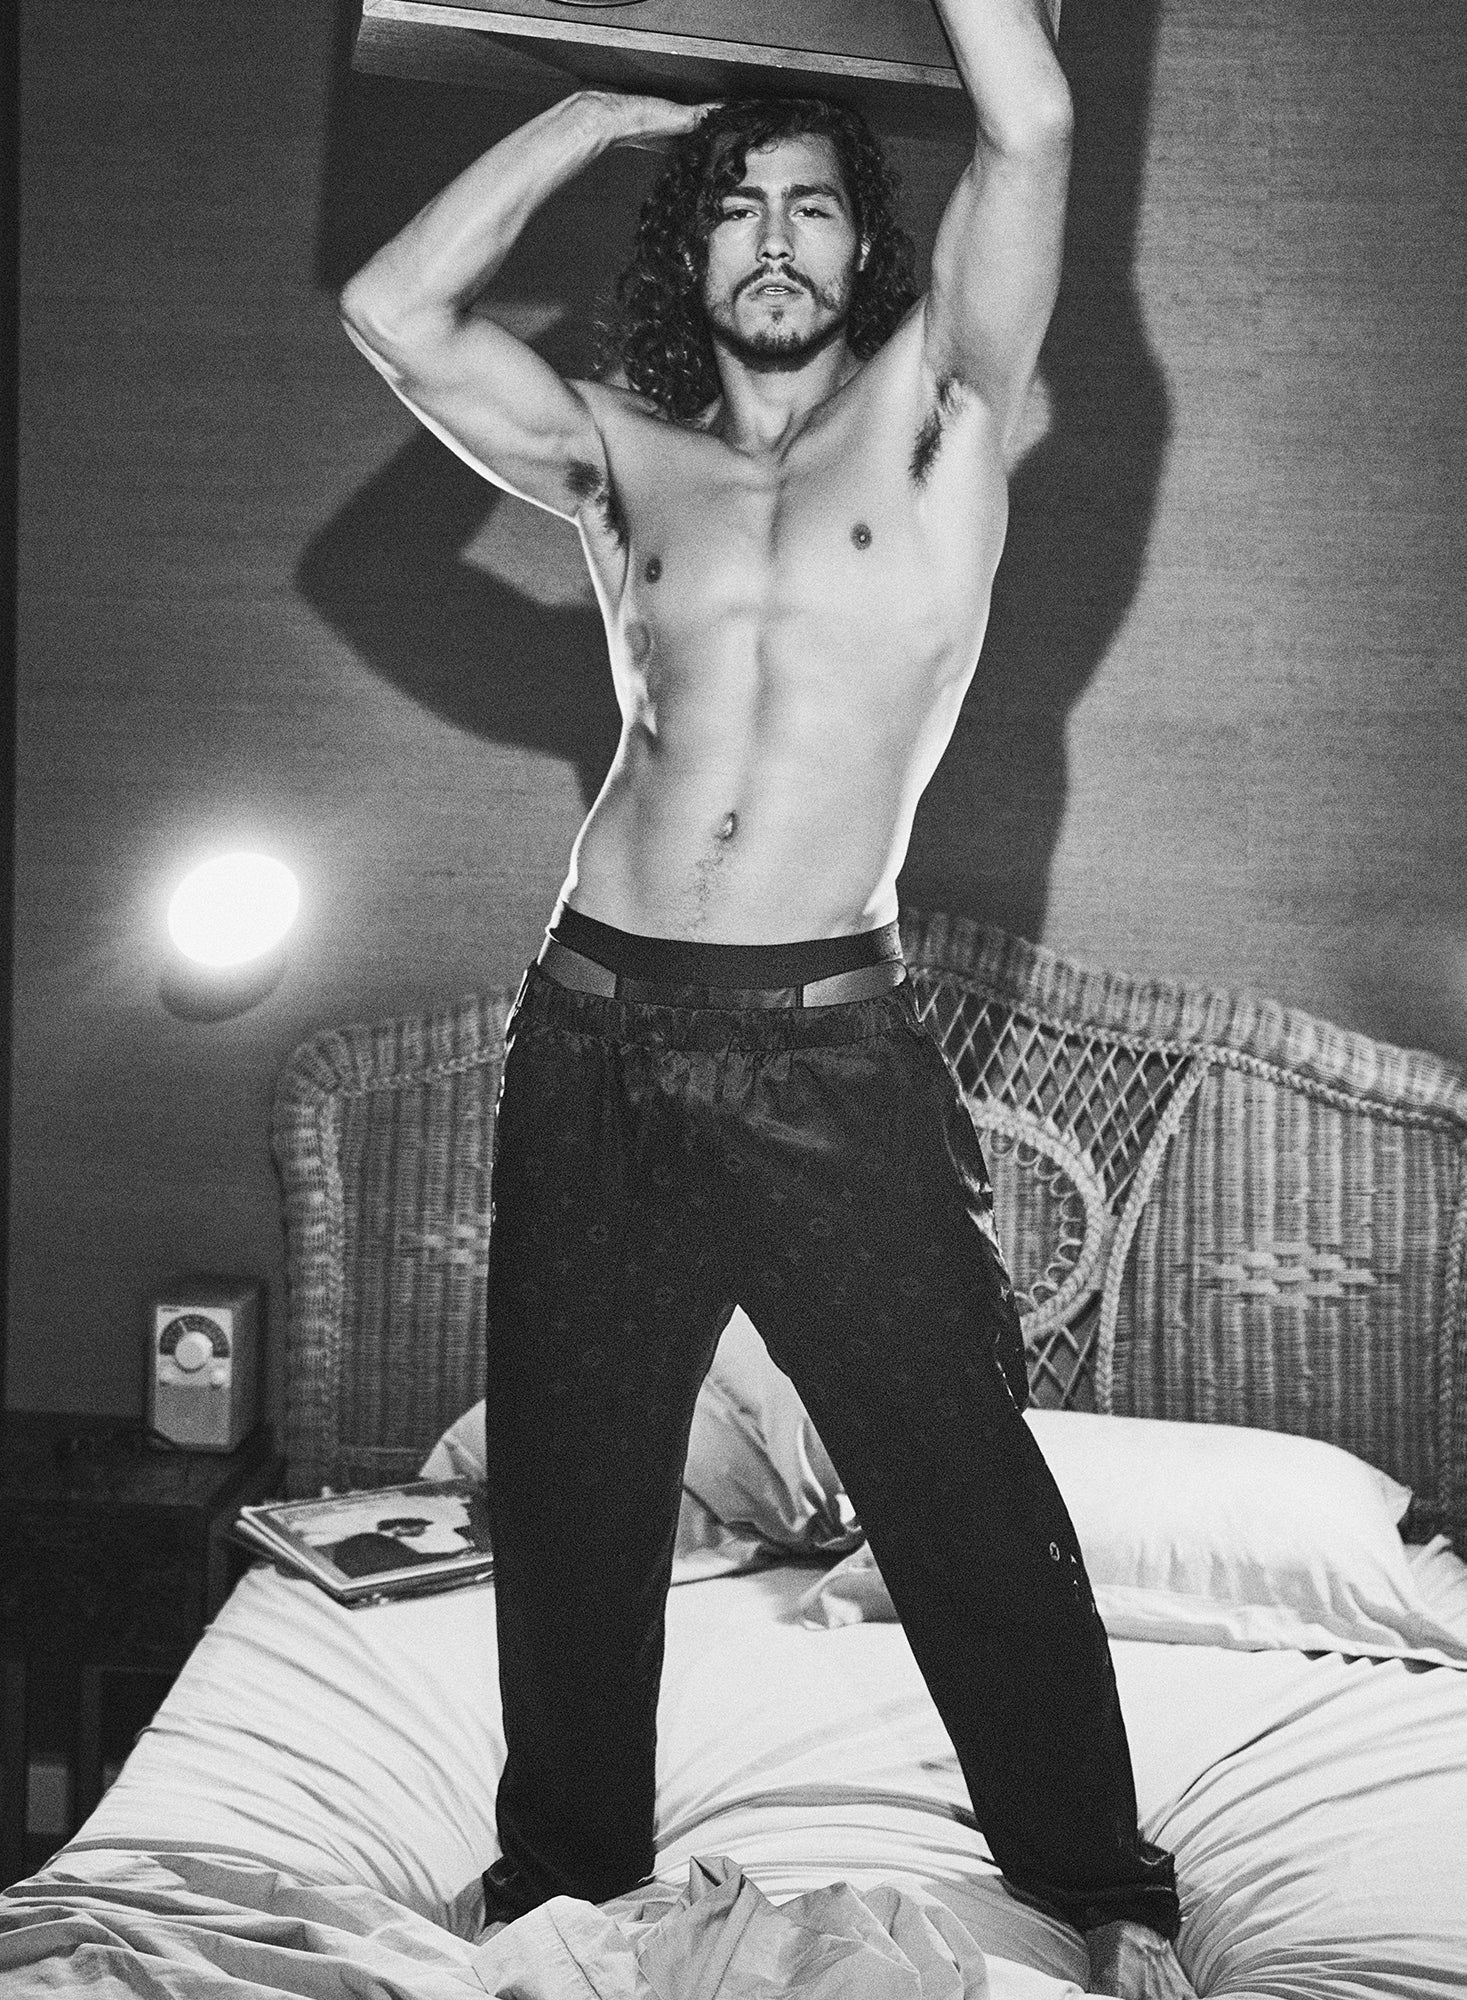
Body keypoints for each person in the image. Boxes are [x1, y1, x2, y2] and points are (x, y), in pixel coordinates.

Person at [340, 5, 1191, 1993]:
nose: (780, 238)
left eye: (815, 204)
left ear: (867, 244)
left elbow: (1032, 117)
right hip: (591, 1026)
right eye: (737, 206)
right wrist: (595, 109)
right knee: (573, 1490)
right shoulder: (619, 461)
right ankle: (562, 1873)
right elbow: (392, 308)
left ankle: (1101, 1885)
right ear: (691, 246)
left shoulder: (942, 409)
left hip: (825, 1047)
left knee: (955, 1477)